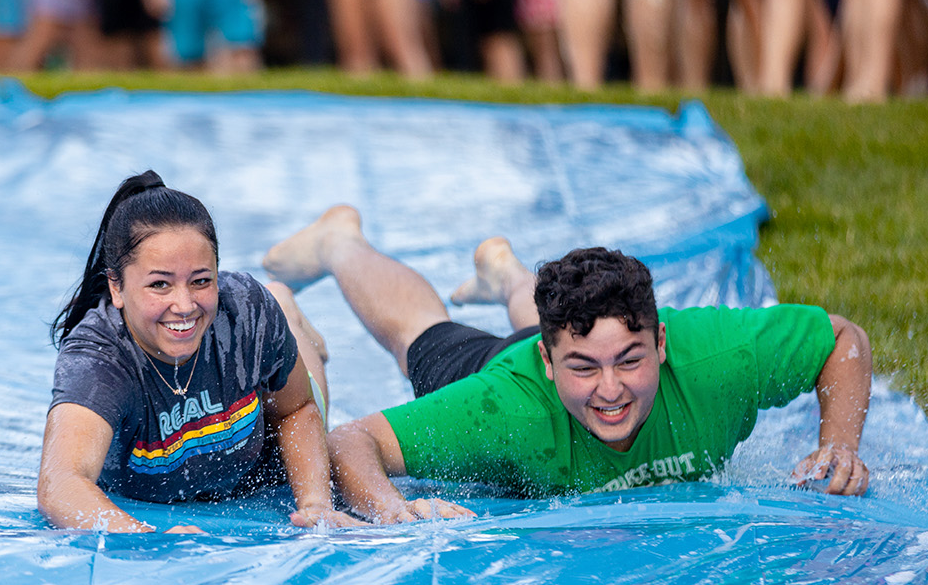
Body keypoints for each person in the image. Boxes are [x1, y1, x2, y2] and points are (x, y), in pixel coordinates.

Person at [262, 206, 872, 520]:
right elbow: (349, 440)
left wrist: (839, 444)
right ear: (548, 364)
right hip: (507, 375)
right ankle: (340, 240)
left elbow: (840, 340)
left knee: (578, 327)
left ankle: (504, 272)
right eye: (581, 367)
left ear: (661, 342)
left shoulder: (721, 357)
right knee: (421, 336)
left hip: (557, 350)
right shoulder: (504, 406)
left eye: (632, 360)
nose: (612, 391)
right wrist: (389, 510)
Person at [38, 172, 395, 534]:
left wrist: (315, 504)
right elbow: (61, 484)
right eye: (159, 284)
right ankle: (286, 315)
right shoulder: (99, 359)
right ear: (117, 287)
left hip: (264, 460)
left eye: (201, 280)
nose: (184, 304)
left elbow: (297, 409)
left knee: (304, 375)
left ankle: (287, 313)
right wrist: (146, 537)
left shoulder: (247, 313)